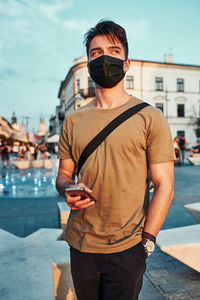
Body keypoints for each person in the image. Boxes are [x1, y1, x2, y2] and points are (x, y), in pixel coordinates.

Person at [56, 20, 175, 300]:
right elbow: (63, 174)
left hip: (128, 249)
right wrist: (66, 189)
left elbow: (164, 185)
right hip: (81, 244)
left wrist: (146, 242)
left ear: (127, 62)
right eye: (96, 53)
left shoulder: (150, 117)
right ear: (88, 64)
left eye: (113, 50)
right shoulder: (72, 120)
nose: (104, 58)